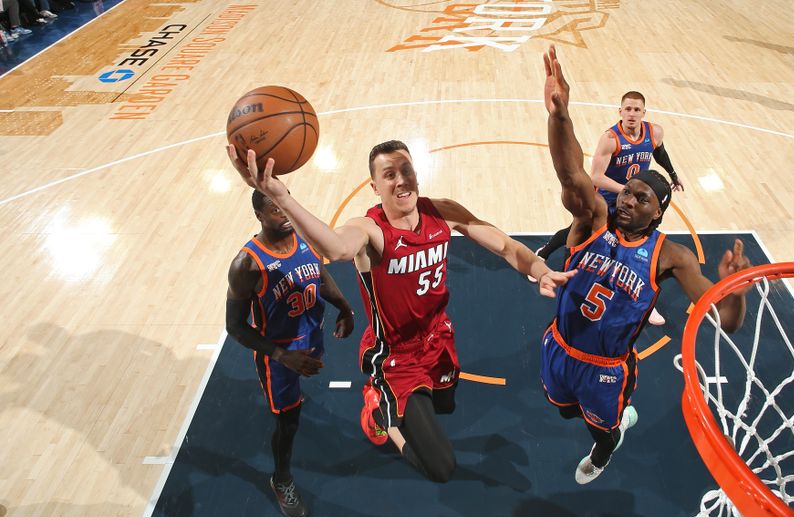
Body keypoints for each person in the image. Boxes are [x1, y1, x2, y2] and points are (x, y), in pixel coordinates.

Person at [227, 140, 576, 483]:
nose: (400, 180)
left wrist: (540, 270)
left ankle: (397, 407)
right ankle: (377, 408)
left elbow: (506, 246)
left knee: (446, 406)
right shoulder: (370, 229)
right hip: (397, 356)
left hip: (439, 339)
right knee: (441, 469)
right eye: (389, 174)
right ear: (375, 186)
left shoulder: (442, 211)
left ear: (416, 173)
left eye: (405, 169)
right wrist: (284, 199)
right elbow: (336, 248)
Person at [540, 45, 752, 484]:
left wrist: (733, 292)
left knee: (602, 429)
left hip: (606, 370)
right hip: (560, 346)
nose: (627, 200)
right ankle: (602, 425)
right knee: (563, 412)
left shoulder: (672, 257)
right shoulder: (593, 221)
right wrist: (560, 115)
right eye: (627, 191)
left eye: (641, 198)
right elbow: (570, 173)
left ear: (657, 213)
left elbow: (725, 320)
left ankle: (606, 449)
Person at [225, 189, 355, 517]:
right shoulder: (246, 265)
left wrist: (344, 307)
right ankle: (281, 479)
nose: (283, 213)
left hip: (310, 336)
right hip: (278, 356)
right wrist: (283, 356)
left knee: (297, 404)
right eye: (274, 210)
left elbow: (319, 274)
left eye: (284, 205)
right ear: (259, 216)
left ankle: (293, 396)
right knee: (288, 422)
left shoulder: (306, 237)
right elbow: (235, 327)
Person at [533, 89, 684, 327]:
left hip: (632, 204)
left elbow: (660, 153)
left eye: (637, 110)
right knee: (579, 233)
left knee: (638, 250)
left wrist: (673, 175)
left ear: (644, 112)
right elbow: (595, 177)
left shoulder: (654, 132)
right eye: (628, 109)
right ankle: (546, 256)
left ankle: (646, 302)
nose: (632, 114)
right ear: (620, 111)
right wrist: (627, 190)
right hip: (607, 200)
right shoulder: (611, 139)